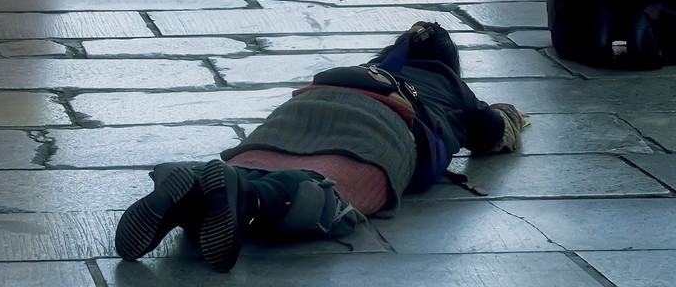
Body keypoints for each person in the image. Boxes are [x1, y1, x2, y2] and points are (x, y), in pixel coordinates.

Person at [114, 22, 526, 273]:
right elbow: (493, 134)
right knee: (324, 194)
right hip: (382, 127)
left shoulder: (369, 69)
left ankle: (193, 187)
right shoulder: (449, 83)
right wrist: (509, 114)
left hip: (305, 105)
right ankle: (251, 199)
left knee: (248, 168)